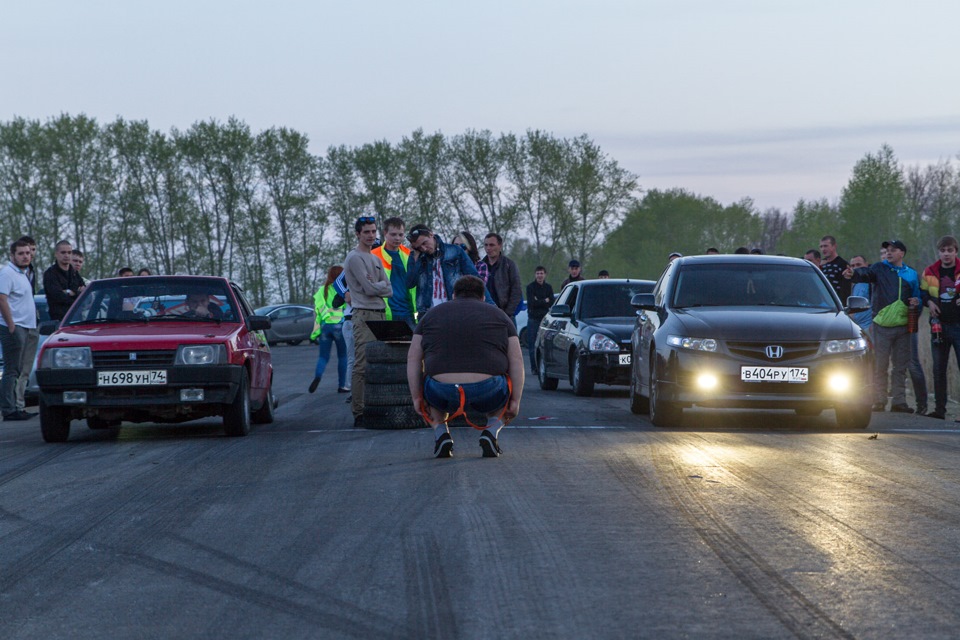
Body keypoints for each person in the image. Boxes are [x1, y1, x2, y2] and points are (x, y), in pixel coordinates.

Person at [407, 275, 524, 458]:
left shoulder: (430, 315)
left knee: (428, 380)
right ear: (483, 297)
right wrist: (515, 401)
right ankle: (491, 432)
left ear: (453, 295)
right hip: (488, 389)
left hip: (441, 391)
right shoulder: (500, 316)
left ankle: (441, 433)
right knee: (506, 382)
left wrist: (416, 398)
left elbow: (413, 358)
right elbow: (517, 360)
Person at [843, 240, 921, 413]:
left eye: (893, 250)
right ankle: (879, 400)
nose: (889, 253)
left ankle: (899, 402)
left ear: (902, 253)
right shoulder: (879, 268)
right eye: (887, 250)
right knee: (880, 364)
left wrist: (918, 301)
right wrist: (853, 273)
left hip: (903, 326)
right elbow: (865, 273)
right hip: (881, 325)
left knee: (900, 366)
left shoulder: (912, 274)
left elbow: (918, 296)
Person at [343, 215, 393, 426]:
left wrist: (378, 286)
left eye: (373, 231)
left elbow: (389, 290)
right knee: (362, 365)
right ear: (358, 234)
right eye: (367, 232)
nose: (371, 235)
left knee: (380, 364)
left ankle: (375, 408)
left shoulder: (375, 259)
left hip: (380, 313)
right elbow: (369, 288)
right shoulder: (354, 258)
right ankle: (359, 412)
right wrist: (377, 286)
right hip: (363, 314)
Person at [405, 224, 489, 315]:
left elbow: (475, 279)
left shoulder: (455, 251)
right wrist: (416, 256)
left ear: (431, 234)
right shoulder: (417, 257)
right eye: (419, 247)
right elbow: (409, 283)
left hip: (454, 309)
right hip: (427, 313)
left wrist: (491, 307)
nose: (424, 248)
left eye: (424, 243)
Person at [920, 235, 960, 420]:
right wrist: (929, 302)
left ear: (955, 252)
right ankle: (939, 410)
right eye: (943, 250)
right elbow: (922, 292)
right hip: (939, 326)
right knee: (938, 369)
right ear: (939, 252)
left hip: (958, 325)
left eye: (949, 250)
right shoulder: (929, 271)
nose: (946, 254)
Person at [0, 239, 38, 421]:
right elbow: (2, 299)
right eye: (21, 253)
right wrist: (11, 325)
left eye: (28, 253)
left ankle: (17, 406)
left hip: (26, 327)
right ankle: (8, 409)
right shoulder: (7, 273)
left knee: (20, 369)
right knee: (11, 370)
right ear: (12, 255)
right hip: (14, 328)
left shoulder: (23, 274)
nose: (25, 256)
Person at [371, 217, 417, 330]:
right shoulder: (373, 256)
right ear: (385, 233)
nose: (397, 238)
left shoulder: (409, 254)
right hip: (385, 314)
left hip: (409, 313)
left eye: (401, 235)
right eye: (393, 234)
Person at [308, 266, 348, 394]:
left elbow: (317, 313)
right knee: (343, 356)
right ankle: (342, 385)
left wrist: (315, 333)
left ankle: (318, 376)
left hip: (326, 327)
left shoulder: (321, 291)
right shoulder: (343, 289)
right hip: (340, 326)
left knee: (323, 356)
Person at [43, 240, 86, 321]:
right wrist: (76, 295)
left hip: (77, 319)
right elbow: (58, 297)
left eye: (69, 253)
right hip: (59, 320)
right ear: (56, 254)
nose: (66, 255)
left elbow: (84, 293)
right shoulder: (50, 274)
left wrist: (70, 292)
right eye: (63, 252)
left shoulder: (74, 273)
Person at [525, 266, 554, 371]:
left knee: (546, 345)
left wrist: (539, 301)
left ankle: (546, 368)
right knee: (533, 344)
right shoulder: (530, 287)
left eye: (541, 273)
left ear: (545, 274)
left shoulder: (548, 287)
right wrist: (544, 301)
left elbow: (551, 301)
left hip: (545, 320)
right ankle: (534, 368)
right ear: (535, 275)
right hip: (533, 319)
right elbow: (532, 303)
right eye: (537, 273)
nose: (539, 275)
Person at [333, 271, 353, 397]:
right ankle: (353, 390)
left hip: (348, 320)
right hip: (350, 319)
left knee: (352, 358)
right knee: (353, 358)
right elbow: (338, 282)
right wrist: (346, 293)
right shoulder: (353, 263)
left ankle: (353, 389)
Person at [818, 235, 851, 302]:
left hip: (836, 303)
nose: (823, 249)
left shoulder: (842, 264)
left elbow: (846, 289)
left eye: (826, 246)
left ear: (834, 246)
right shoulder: (822, 265)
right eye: (821, 246)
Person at [848, 255, 872, 330]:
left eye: (859, 264)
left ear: (866, 264)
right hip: (857, 327)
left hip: (869, 326)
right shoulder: (854, 283)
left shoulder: (872, 282)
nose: (855, 267)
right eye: (853, 266)